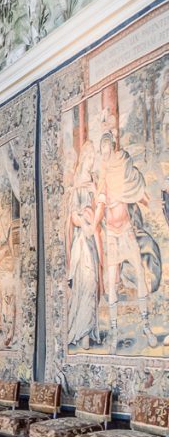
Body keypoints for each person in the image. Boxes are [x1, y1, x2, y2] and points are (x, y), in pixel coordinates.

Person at [93, 132, 161, 348]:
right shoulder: (103, 177)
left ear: (113, 148)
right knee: (112, 282)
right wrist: (92, 227)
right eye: (102, 153)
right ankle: (114, 331)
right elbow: (100, 208)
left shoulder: (123, 168)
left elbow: (136, 191)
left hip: (127, 230)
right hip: (112, 235)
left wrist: (151, 205)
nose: (105, 156)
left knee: (140, 273)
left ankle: (146, 324)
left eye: (107, 151)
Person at [66, 141, 102, 350]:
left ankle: (90, 328)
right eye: (88, 158)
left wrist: (96, 191)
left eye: (92, 158)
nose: (91, 162)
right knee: (86, 283)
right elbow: (72, 217)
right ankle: (83, 332)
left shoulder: (93, 183)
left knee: (94, 283)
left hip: (92, 237)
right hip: (82, 240)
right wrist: (86, 223)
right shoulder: (78, 186)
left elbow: (99, 208)